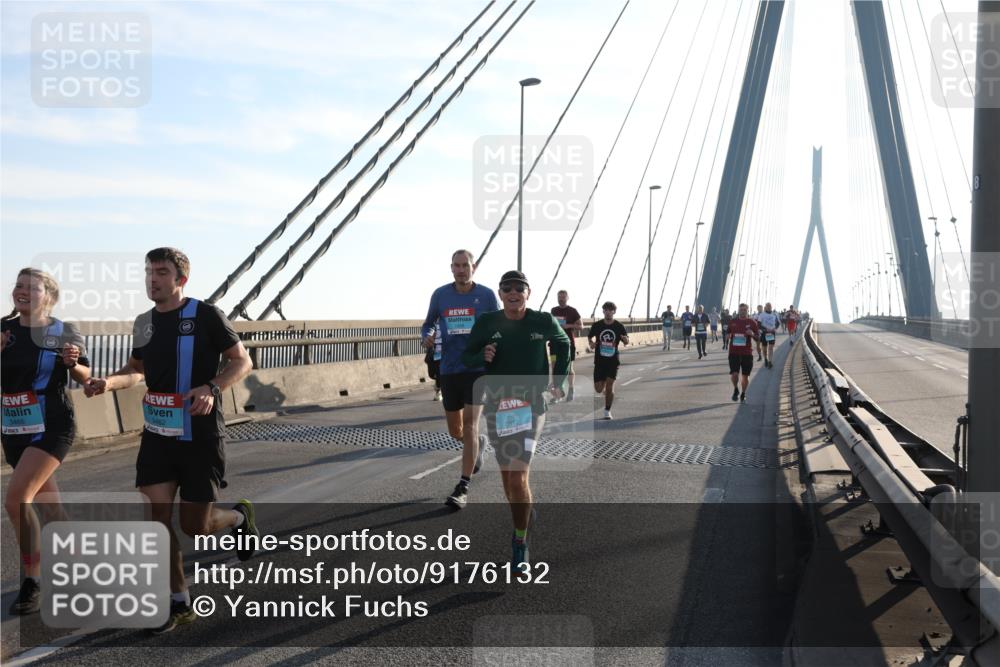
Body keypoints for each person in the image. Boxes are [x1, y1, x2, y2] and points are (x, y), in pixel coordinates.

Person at [84, 248, 255, 634]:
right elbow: (136, 370)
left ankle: (239, 518)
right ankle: (175, 602)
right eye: (148, 272)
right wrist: (107, 382)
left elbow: (241, 361)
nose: (152, 279)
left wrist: (212, 386)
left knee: (195, 525)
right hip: (159, 436)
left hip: (200, 436)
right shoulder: (144, 323)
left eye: (161, 272)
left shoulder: (206, 314)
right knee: (156, 523)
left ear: (181, 280)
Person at [460, 270, 570, 566]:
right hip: (499, 406)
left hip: (532, 406)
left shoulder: (542, 321)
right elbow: (467, 357)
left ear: (528, 293)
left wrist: (558, 382)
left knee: (519, 476)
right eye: (507, 288)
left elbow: (563, 344)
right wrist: (482, 354)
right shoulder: (487, 323)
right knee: (509, 480)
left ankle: (520, 538)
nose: (513, 292)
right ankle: (524, 515)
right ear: (500, 294)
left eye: (519, 288)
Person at [2, 268, 91, 615]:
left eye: (31, 287)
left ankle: (32, 580)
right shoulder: (2, 329)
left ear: (49, 297)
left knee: (17, 501)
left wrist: (74, 365)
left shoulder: (62, 331)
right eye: (18, 286)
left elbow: (85, 375)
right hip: (13, 428)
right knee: (52, 510)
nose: (22, 291)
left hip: (52, 425)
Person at [421, 249, 500, 509]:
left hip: (477, 369)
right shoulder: (441, 295)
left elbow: (498, 328)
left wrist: (494, 348)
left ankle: (463, 486)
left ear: (473, 267)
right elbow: (428, 324)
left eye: (465, 265)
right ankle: (478, 444)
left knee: (469, 425)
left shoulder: (487, 296)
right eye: (456, 265)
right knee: (456, 430)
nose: (461, 269)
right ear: (451, 268)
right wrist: (427, 336)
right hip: (449, 368)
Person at [587, 302, 629, 420]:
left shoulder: (619, 326)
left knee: (610, 387)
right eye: (606, 310)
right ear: (603, 311)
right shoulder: (597, 325)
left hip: (613, 360)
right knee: (599, 389)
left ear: (614, 312)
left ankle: (607, 410)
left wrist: (625, 340)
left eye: (611, 310)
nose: (608, 312)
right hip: (600, 360)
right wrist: (591, 343)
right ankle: (605, 388)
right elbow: (590, 336)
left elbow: (626, 341)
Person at [550, 290, 583, 402]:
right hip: (554, 344)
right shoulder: (553, 310)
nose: (561, 299)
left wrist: (568, 326)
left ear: (567, 298)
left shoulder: (572, 311)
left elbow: (581, 326)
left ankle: (571, 389)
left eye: (563, 297)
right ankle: (557, 393)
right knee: (554, 367)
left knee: (568, 368)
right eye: (559, 297)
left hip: (568, 345)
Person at [727, 303, 760, 403]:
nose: (742, 311)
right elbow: (728, 333)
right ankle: (736, 389)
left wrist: (753, 334)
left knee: (745, 376)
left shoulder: (752, 322)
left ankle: (743, 393)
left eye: (744, 310)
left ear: (747, 311)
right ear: (738, 310)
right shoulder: (732, 322)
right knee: (734, 374)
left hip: (746, 353)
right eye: (741, 310)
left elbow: (758, 338)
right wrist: (727, 336)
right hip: (734, 352)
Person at [758, 303, 781, 369]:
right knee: (764, 349)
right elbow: (758, 325)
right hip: (764, 333)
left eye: (770, 306)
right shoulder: (762, 315)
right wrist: (765, 329)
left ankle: (770, 361)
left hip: (771, 333)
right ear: (765, 307)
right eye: (767, 306)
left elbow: (778, 323)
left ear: (771, 307)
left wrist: (775, 328)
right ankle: (765, 359)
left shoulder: (774, 314)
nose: (769, 307)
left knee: (770, 347)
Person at [424, 324, 442, 401]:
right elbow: (429, 332)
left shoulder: (448, 324)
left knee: (439, 373)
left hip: (445, 353)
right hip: (435, 353)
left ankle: (438, 391)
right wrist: (427, 338)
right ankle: (438, 384)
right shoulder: (434, 325)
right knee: (431, 374)